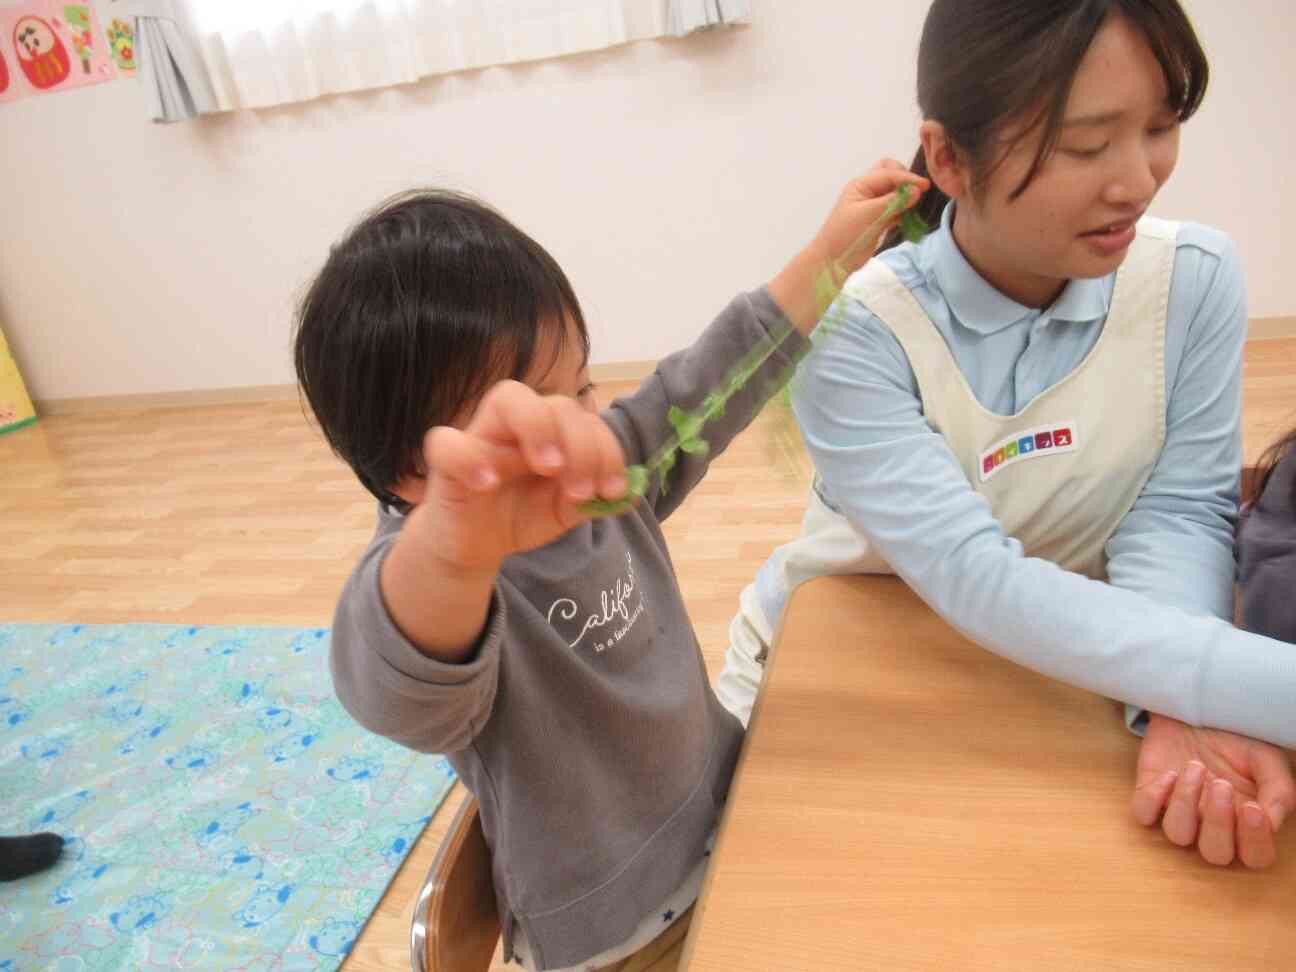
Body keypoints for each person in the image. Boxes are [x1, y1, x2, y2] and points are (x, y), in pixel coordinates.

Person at [292, 169, 925, 971]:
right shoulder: (437, 579)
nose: (575, 426)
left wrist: (828, 254)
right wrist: (455, 547)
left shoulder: (601, 479)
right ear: (410, 476)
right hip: (615, 939)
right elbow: (393, 686)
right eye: (522, 418)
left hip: (730, 813)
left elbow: (709, 382)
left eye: (580, 387)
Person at [716, 0, 1296, 871]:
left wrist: (1182, 704)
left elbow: (1175, 514)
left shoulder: (1194, 281)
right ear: (949, 157)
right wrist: (1265, 692)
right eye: (1087, 145)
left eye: (1161, 126)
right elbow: (977, 577)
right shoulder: (852, 332)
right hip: (838, 687)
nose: (1137, 180)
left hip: (1061, 678)